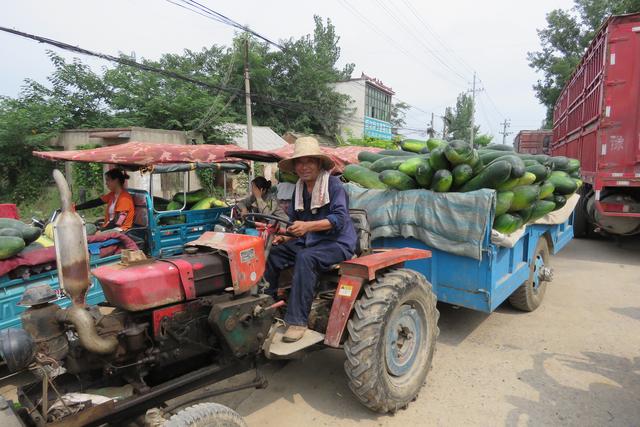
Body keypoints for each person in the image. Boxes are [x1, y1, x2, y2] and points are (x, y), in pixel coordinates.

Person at [264, 137, 357, 343]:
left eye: (309, 162)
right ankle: (267, 306)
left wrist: (307, 227)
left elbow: (340, 219)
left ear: (318, 164)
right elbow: (294, 222)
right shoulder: (299, 188)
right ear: (295, 166)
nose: (304, 167)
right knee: (273, 253)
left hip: (336, 242)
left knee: (306, 258)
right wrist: (284, 235)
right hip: (309, 240)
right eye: (299, 162)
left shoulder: (333, 185)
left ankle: (297, 321)